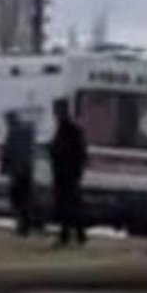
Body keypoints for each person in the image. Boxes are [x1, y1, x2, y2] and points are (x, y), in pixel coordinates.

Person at [49, 98, 88, 246]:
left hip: (68, 174)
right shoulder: (63, 129)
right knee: (68, 206)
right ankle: (72, 234)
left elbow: (79, 153)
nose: (56, 114)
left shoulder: (71, 130)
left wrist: (76, 171)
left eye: (57, 110)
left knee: (70, 206)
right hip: (63, 174)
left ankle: (74, 234)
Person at [1, 111, 37, 236]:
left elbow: (9, 153)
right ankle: (25, 225)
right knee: (25, 199)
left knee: (17, 200)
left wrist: (5, 170)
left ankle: (22, 226)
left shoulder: (13, 133)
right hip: (27, 171)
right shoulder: (27, 132)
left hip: (17, 172)